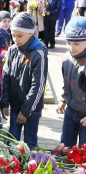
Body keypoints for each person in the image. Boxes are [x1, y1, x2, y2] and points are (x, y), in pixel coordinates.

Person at [0, 12, 48, 149]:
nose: (15, 39)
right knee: (12, 141)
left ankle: (31, 168)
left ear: (30, 33)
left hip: (31, 110)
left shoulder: (38, 54)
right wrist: (4, 103)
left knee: (30, 142)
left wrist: (26, 111)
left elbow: (38, 85)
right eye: (13, 35)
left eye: (19, 36)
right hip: (15, 105)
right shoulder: (12, 50)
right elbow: (6, 77)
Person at [56, 16, 86, 148]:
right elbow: (66, 82)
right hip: (70, 111)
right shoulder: (66, 58)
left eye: (77, 44)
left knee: (83, 152)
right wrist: (64, 99)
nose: (72, 48)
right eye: (69, 43)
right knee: (65, 147)